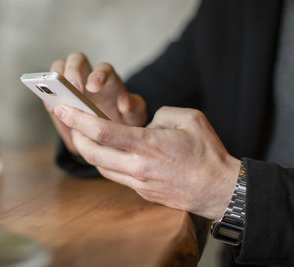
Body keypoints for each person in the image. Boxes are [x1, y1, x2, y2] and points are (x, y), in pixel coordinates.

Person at [43, 0, 294, 266]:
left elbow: (218, 183)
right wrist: (113, 117)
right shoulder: (236, 8)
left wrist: (228, 190)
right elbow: (155, 93)